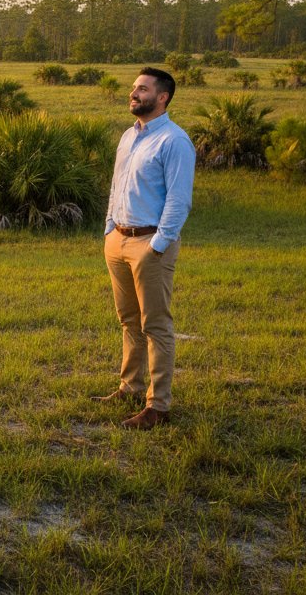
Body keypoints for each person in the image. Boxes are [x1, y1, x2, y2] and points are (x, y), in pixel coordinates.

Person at [94, 67, 195, 430]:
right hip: (118, 239)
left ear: (162, 97)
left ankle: (159, 406)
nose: (133, 93)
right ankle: (131, 387)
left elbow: (179, 199)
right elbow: (116, 186)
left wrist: (159, 244)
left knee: (156, 324)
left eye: (142, 89)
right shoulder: (128, 136)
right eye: (134, 88)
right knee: (129, 321)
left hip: (149, 243)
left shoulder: (174, 141)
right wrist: (109, 229)